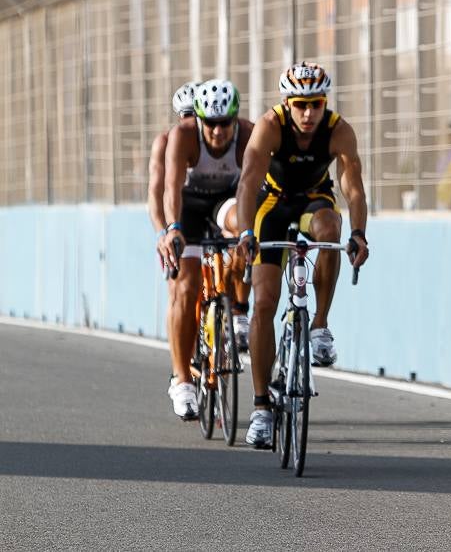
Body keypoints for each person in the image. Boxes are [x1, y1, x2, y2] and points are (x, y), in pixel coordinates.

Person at [234, 61, 369, 448]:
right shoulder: (269, 126)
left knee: (332, 230)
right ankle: (261, 407)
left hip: (313, 199)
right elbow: (247, 183)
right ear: (287, 103)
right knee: (264, 303)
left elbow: (353, 188)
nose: (309, 113)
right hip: (271, 204)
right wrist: (245, 232)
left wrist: (359, 233)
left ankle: (319, 326)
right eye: (300, 105)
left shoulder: (338, 129)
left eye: (316, 104)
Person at [159, 79, 254, 420]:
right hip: (190, 206)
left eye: (224, 123)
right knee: (185, 287)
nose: (216, 131)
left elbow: (251, 187)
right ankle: (182, 379)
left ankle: (239, 311)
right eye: (209, 123)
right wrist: (171, 230)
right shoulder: (182, 135)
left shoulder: (247, 135)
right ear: (198, 120)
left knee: (243, 230)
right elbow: (170, 189)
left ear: (235, 119)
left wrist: (246, 233)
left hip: (225, 202)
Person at [148, 82, 199, 236]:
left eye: (197, 115)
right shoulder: (164, 142)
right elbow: (156, 191)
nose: (192, 121)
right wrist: (161, 233)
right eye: (187, 115)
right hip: (179, 211)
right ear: (179, 116)